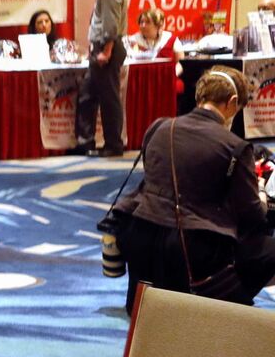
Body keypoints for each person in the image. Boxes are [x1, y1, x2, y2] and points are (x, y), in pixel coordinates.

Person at [110, 67, 274, 314]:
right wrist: (260, 194)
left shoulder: (158, 128)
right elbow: (252, 216)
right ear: (231, 103)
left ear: (200, 96)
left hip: (141, 238)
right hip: (193, 250)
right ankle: (224, 302)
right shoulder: (236, 147)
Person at [76, 0, 128, 156]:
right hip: (101, 47)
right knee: (87, 94)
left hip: (107, 48)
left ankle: (114, 145)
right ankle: (85, 142)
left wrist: (106, 51)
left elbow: (110, 23)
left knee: (109, 98)